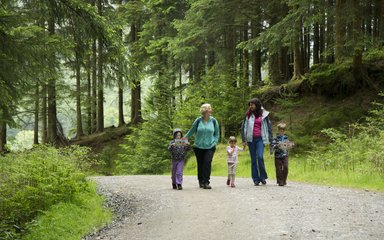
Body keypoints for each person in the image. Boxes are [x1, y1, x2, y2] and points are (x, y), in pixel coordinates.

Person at [185, 103, 220, 189]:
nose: (211, 110)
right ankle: (201, 181)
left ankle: (206, 182)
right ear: (205, 111)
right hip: (198, 146)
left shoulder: (214, 121)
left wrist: (214, 142)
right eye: (209, 109)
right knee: (200, 164)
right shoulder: (198, 121)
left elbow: (217, 134)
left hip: (210, 146)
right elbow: (191, 131)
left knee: (207, 163)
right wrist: (184, 139)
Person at [241, 98, 273, 186]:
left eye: (252, 105)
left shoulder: (264, 114)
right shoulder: (247, 115)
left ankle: (262, 177)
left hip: (260, 139)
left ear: (257, 105)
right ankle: (255, 179)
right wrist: (243, 140)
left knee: (260, 157)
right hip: (251, 140)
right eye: (250, 105)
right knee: (253, 160)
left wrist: (270, 140)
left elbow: (269, 127)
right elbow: (243, 127)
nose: (250, 106)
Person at [271, 122, 294, 186]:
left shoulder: (286, 138)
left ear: (284, 131)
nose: (282, 131)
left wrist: (291, 145)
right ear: (278, 130)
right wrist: (278, 145)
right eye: (280, 130)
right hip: (277, 156)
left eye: (283, 130)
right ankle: (280, 181)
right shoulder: (276, 138)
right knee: (278, 169)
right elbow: (273, 146)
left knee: (286, 167)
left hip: (285, 155)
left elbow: (289, 145)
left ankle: (284, 180)